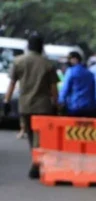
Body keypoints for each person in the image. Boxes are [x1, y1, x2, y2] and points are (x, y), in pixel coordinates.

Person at [3, 33, 59, 178]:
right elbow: (53, 88)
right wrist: (56, 103)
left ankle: (35, 161)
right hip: (43, 106)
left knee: (29, 134)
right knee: (39, 136)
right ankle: (36, 162)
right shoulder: (47, 64)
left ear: (28, 46)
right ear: (41, 47)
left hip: (25, 105)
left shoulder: (19, 61)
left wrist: (7, 101)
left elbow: (12, 84)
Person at [59, 51, 96, 117]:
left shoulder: (71, 71)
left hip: (74, 107)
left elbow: (65, 89)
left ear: (75, 59)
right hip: (89, 107)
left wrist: (60, 102)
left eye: (69, 59)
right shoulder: (90, 73)